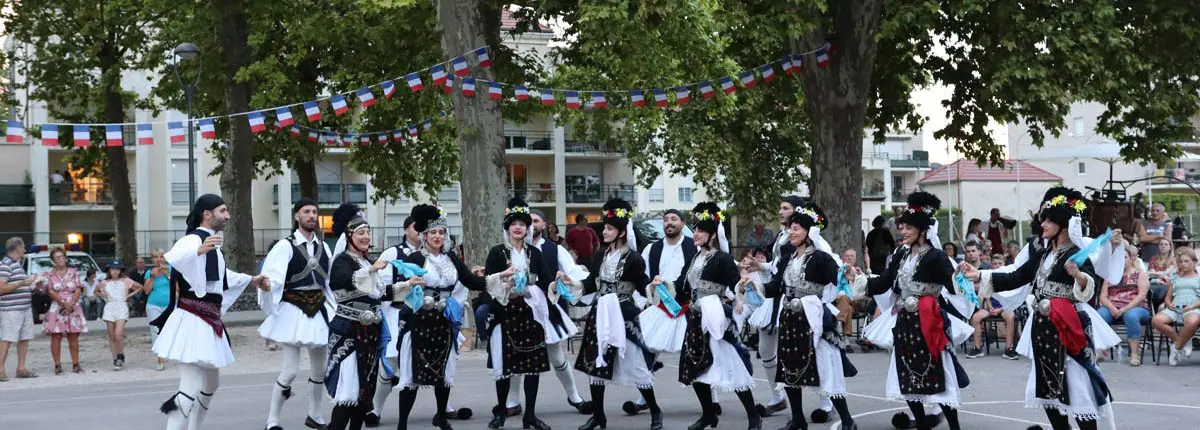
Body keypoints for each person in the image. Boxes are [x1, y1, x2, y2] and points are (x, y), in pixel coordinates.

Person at [964, 187, 1123, 430]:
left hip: (1069, 327)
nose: (1043, 225)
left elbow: (1090, 285)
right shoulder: (1043, 254)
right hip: (1044, 329)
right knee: (1048, 387)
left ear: (1064, 226)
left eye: (1049, 220)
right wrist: (979, 275)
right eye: (1044, 219)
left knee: (1077, 388)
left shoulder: (1077, 254)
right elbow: (1017, 276)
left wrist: (1078, 275)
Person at [151, 194, 270, 430]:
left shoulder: (212, 244)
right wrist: (197, 251)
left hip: (208, 321)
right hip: (192, 320)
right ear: (207, 214)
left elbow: (222, 278)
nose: (227, 216)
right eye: (223, 211)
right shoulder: (193, 239)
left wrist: (252, 279)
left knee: (211, 383)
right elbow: (174, 257)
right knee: (189, 388)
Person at [861, 192, 969, 430]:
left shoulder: (935, 256)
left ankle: (954, 426)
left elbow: (953, 286)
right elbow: (884, 282)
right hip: (905, 324)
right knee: (907, 376)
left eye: (909, 227)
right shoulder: (900, 254)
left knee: (938, 376)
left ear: (922, 231)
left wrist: (963, 276)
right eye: (902, 227)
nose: (903, 231)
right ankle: (921, 423)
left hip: (929, 324)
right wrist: (859, 280)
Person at [660, 202, 761, 430]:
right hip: (695, 320)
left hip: (715, 321)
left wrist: (742, 289)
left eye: (700, 230)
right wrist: (662, 286)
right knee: (696, 369)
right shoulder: (693, 259)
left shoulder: (722, 259)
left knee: (732, 368)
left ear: (713, 235)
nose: (695, 234)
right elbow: (681, 288)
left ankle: (754, 416)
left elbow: (735, 285)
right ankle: (708, 415)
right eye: (695, 229)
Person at [390, 204, 486, 430]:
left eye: (441, 232)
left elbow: (471, 282)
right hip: (419, 323)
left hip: (443, 322)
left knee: (444, 373)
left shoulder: (451, 258)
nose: (437, 236)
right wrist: (409, 285)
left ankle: (442, 418)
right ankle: (402, 424)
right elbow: (399, 288)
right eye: (433, 232)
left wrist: (499, 277)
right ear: (424, 235)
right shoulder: (415, 258)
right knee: (411, 377)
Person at [766, 203, 860, 430]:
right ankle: (798, 420)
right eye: (790, 228)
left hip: (813, 320)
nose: (791, 232)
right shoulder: (787, 258)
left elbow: (836, 276)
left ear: (809, 232)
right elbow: (775, 287)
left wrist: (846, 273)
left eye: (796, 228)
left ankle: (847, 421)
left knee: (827, 368)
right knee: (789, 369)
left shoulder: (819, 258)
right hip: (790, 319)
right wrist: (749, 286)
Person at [575, 198, 663, 430]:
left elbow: (642, 284)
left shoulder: (633, 258)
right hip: (600, 313)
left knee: (635, 363)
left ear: (622, 232)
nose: (604, 232)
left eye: (609, 228)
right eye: (604, 228)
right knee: (596, 364)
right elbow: (591, 283)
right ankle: (598, 416)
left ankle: (655, 411)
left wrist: (654, 286)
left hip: (624, 314)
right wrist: (571, 285)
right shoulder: (600, 256)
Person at [499, 208, 590, 418]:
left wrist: (572, 280)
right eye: (527, 221)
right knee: (516, 354)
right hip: (515, 309)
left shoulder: (553, 249)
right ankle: (513, 401)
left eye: (535, 221)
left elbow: (571, 270)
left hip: (545, 307)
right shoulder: (506, 250)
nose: (530, 224)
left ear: (543, 225)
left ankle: (574, 396)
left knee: (556, 356)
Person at [258, 198, 336, 430]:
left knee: (320, 369)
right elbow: (273, 277)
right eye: (306, 212)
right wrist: (268, 287)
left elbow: (329, 282)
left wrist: (335, 309)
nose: (311, 215)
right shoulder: (285, 246)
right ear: (296, 216)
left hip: (318, 309)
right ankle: (272, 420)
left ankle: (315, 415)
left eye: (314, 212)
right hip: (292, 310)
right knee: (290, 370)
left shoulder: (324, 247)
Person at [481, 198, 554, 430]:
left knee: (532, 367)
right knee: (504, 367)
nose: (518, 227)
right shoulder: (497, 252)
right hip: (505, 312)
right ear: (507, 227)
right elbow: (488, 283)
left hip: (530, 314)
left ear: (527, 228)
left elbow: (546, 281)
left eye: (522, 223)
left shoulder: (535, 253)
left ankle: (530, 415)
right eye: (513, 223)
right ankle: (501, 413)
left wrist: (557, 284)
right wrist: (505, 281)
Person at [628, 208, 698, 416]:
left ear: (682, 223)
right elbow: (642, 277)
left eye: (674, 219)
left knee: (698, 353)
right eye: (666, 219)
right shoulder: (652, 248)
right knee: (645, 350)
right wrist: (643, 301)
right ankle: (644, 399)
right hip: (660, 306)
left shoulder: (694, 246)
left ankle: (711, 401)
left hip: (687, 306)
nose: (669, 223)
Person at [324, 209, 390, 430]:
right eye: (361, 233)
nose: (366, 237)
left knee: (362, 394)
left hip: (369, 334)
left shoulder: (364, 261)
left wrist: (406, 286)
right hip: (349, 333)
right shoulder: (343, 260)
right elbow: (341, 280)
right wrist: (371, 269)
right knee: (349, 394)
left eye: (368, 232)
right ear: (349, 236)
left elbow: (378, 293)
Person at [746, 195, 806, 418]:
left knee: (803, 352)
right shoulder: (782, 235)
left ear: (797, 211)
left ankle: (827, 401)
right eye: (780, 207)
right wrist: (759, 265)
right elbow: (777, 265)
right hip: (774, 296)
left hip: (792, 298)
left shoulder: (805, 236)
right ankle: (777, 396)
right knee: (765, 350)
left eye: (785, 208)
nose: (780, 211)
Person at [1096, 243, 1151, 366]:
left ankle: (1134, 354)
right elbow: (1103, 297)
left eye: (1125, 257)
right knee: (1099, 315)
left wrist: (1125, 309)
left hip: (1137, 307)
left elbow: (1142, 295)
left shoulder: (1140, 274)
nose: (1122, 260)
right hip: (1113, 307)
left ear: (1131, 259)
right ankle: (1101, 350)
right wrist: (1112, 308)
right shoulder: (1109, 275)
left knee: (1131, 316)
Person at [42, 247, 88, 375]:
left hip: (73, 306)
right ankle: (57, 365)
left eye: (62, 256)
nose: (61, 259)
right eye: (57, 257)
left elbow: (78, 288)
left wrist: (71, 304)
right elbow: (50, 290)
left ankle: (76, 364)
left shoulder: (74, 272)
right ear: (53, 260)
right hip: (57, 306)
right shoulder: (48, 274)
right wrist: (63, 303)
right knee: (56, 336)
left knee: (73, 336)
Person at [1151, 247, 1200, 366]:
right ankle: (1182, 340)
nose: (1183, 264)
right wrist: (1168, 304)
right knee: (1156, 320)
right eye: (1181, 262)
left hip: (1193, 306)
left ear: (1194, 262)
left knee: (1192, 321)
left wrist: (1192, 307)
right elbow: (1168, 297)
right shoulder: (1175, 277)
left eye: (1186, 261)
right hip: (1176, 306)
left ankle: (1176, 348)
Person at [0, 237, 39, 381]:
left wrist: (31, 286)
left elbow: (16, 285)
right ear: (17, 248)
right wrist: (22, 283)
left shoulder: (16, 264)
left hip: (24, 308)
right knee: (7, 338)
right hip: (11, 309)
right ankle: (0, 369)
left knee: (24, 338)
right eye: (23, 247)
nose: (25, 249)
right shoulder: (5, 265)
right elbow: (1, 288)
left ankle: (21, 368)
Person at [98, 260, 142, 370]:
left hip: (121, 306)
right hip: (109, 306)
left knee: (118, 333)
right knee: (111, 335)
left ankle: (120, 354)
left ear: (120, 270)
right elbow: (96, 291)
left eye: (117, 269)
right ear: (109, 270)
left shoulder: (125, 281)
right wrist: (103, 295)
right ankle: (115, 358)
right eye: (113, 269)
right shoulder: (104, 282)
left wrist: (128, 296)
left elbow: (139, 287)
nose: (115, 271)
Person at [144, 249, 172, 371]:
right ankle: (160, 360)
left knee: (170, 330)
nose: (159, 259)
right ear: (152, 259)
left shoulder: (171, 269)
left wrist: (167, 274)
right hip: (153, 305)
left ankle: (169, 352)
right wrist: (152, 277)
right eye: (155, 257)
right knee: (156, 331)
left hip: (170, 305)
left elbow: (177, 288)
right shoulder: (149, 272)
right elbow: (146, 291)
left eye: (161, 256)